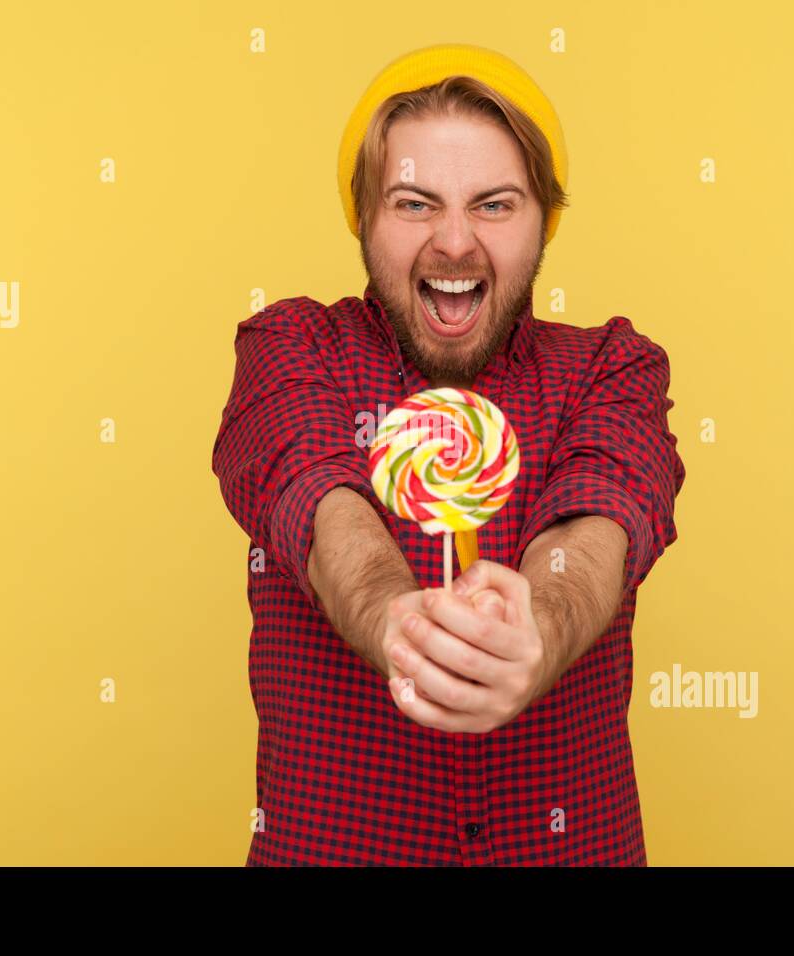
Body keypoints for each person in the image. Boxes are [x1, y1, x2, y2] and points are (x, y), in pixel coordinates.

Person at [212, 43, 686, 865]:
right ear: (365, 215)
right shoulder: (290, 347)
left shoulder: (614, 366)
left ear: (545, 219)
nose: (456, 244)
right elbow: (317, 498)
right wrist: (395, 616)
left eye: (495, 205)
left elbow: (604, 515)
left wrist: (538, 622)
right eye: (415, 203)